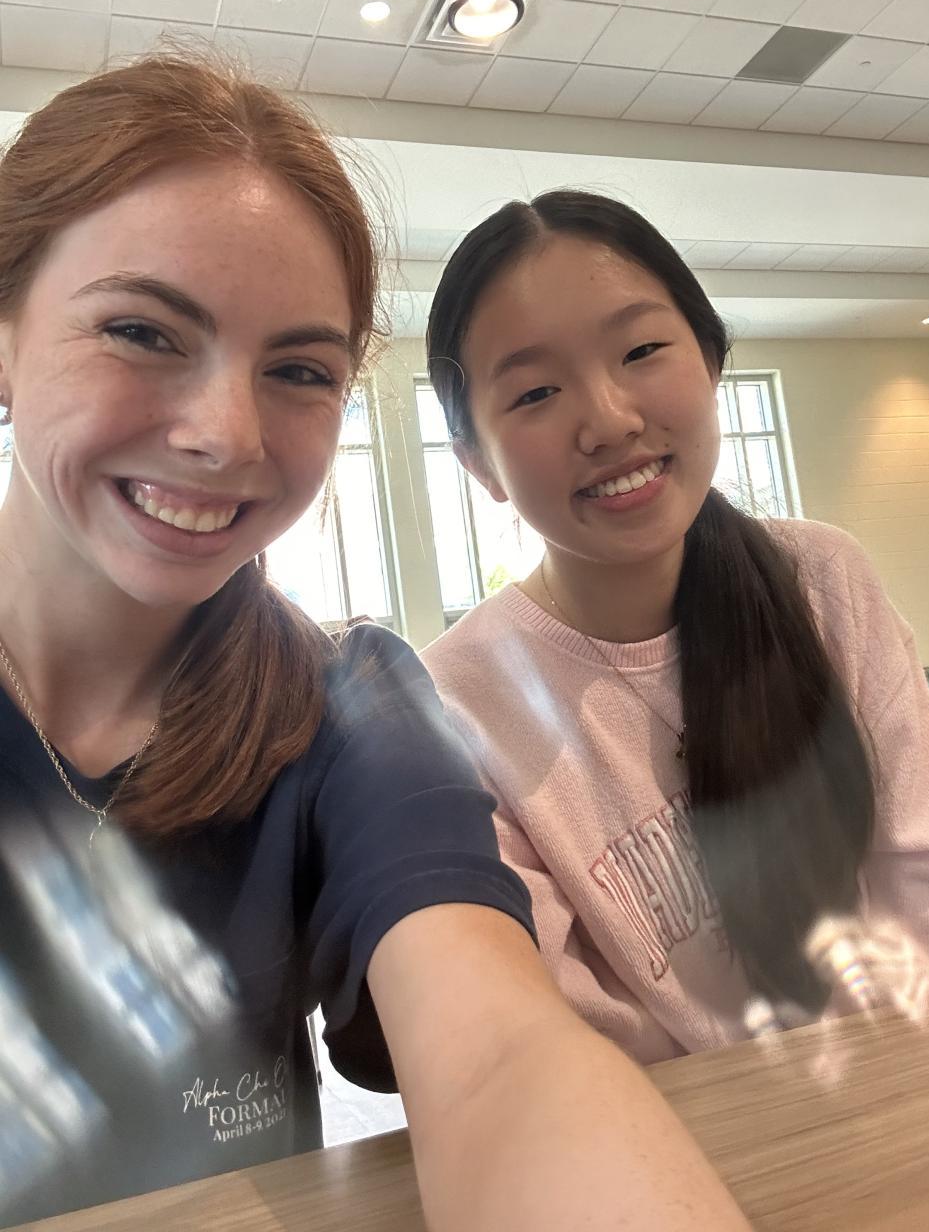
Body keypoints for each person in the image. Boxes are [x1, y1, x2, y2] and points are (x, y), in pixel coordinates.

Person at [0, 60, 752, 1231]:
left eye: (300, 370)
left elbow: (503, 1058)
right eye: (143, 331)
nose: (226, 434)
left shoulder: (348, 701)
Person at [423, 190, 929, 1066]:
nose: (609, 420)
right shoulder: (457, 704)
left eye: (641, 350)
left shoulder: (822, 580)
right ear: (477, 462)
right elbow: (569, 1042)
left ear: (710, 361)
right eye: (535, 392)